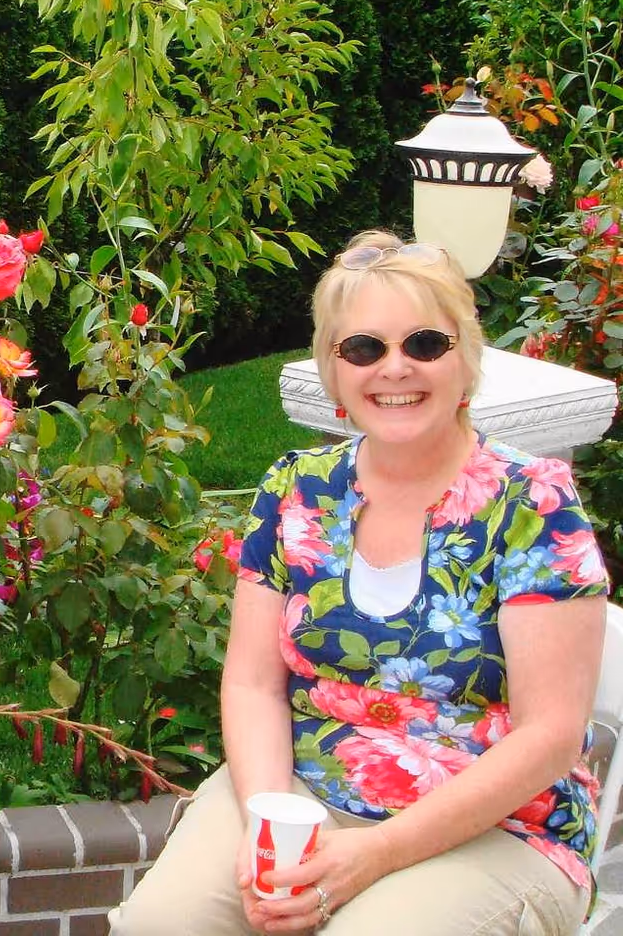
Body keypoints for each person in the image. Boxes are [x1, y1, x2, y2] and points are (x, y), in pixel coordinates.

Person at [113, 230, 610, 935]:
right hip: (305, 787)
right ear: (335, 372)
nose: (395, 369)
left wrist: (372, 855)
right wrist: (270, 827)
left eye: (425, 345)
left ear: (464, 362)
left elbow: (552, 735)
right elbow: (253, 684)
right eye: (365, 349)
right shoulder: (298, 489)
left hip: (495, 826)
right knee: (160, 925)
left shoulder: (532, 505)